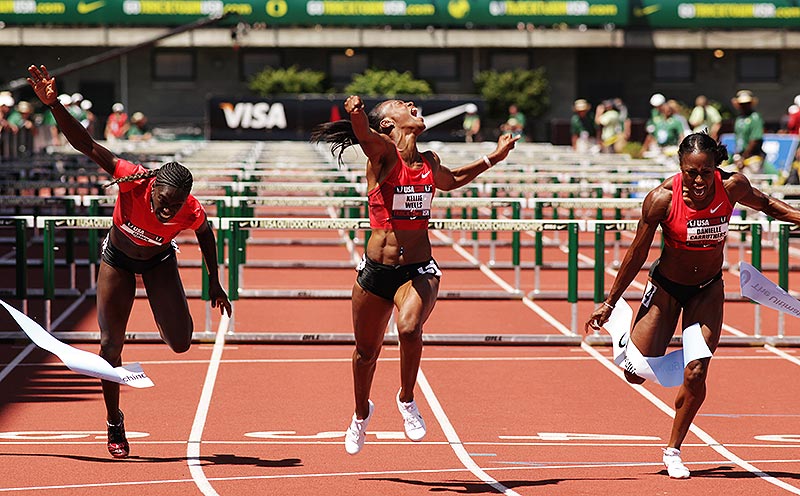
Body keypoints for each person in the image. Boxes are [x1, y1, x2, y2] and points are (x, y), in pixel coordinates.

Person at [27, 64, 232, 458]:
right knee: (110, 345)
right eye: (163, 203)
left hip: (158, 262)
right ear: (153, 187)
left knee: (181, 343)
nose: (169, 212)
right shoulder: (132, 178)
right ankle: (114, 421)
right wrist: (54, 105)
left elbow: (206, 235)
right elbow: (86, 144)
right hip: (117, 259)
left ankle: (159, 308)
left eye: (175, 206)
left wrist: (214, 281)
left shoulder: (189, 208)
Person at [584, 131, 800, 479]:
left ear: (717, 166)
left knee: (697, 371)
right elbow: (637, 252)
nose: (698, 181)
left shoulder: (732, 187)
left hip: (707, 290)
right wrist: (610, 302)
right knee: (634, 374)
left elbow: (769, 204)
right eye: (690, 173)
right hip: (667, 287)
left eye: (705, 172)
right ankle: (624, 326)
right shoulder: (661, 200)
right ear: (680, 168)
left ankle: (673, 450)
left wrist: (799, 217)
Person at [311, 95, 518, 455]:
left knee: (409, 328)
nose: (410, 102)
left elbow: (451, 180)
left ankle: (406, 398)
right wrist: (357, 115)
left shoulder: (428, 161)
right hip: (376, 271)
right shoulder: (383, 155)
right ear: (388, 125)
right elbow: (364, 136)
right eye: (399, 103)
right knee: (365, 353)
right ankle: (361, 413)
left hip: (418, 268)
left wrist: (492, 159)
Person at [731, 90, 765, 175]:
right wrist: (737, 156)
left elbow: (755, 139)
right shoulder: (739, 119)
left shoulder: (755, 117)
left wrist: (743, 158)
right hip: (740, 156)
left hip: (752, 157)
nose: (744, 106)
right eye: (742, 104)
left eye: (746, 103)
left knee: (751, 183)